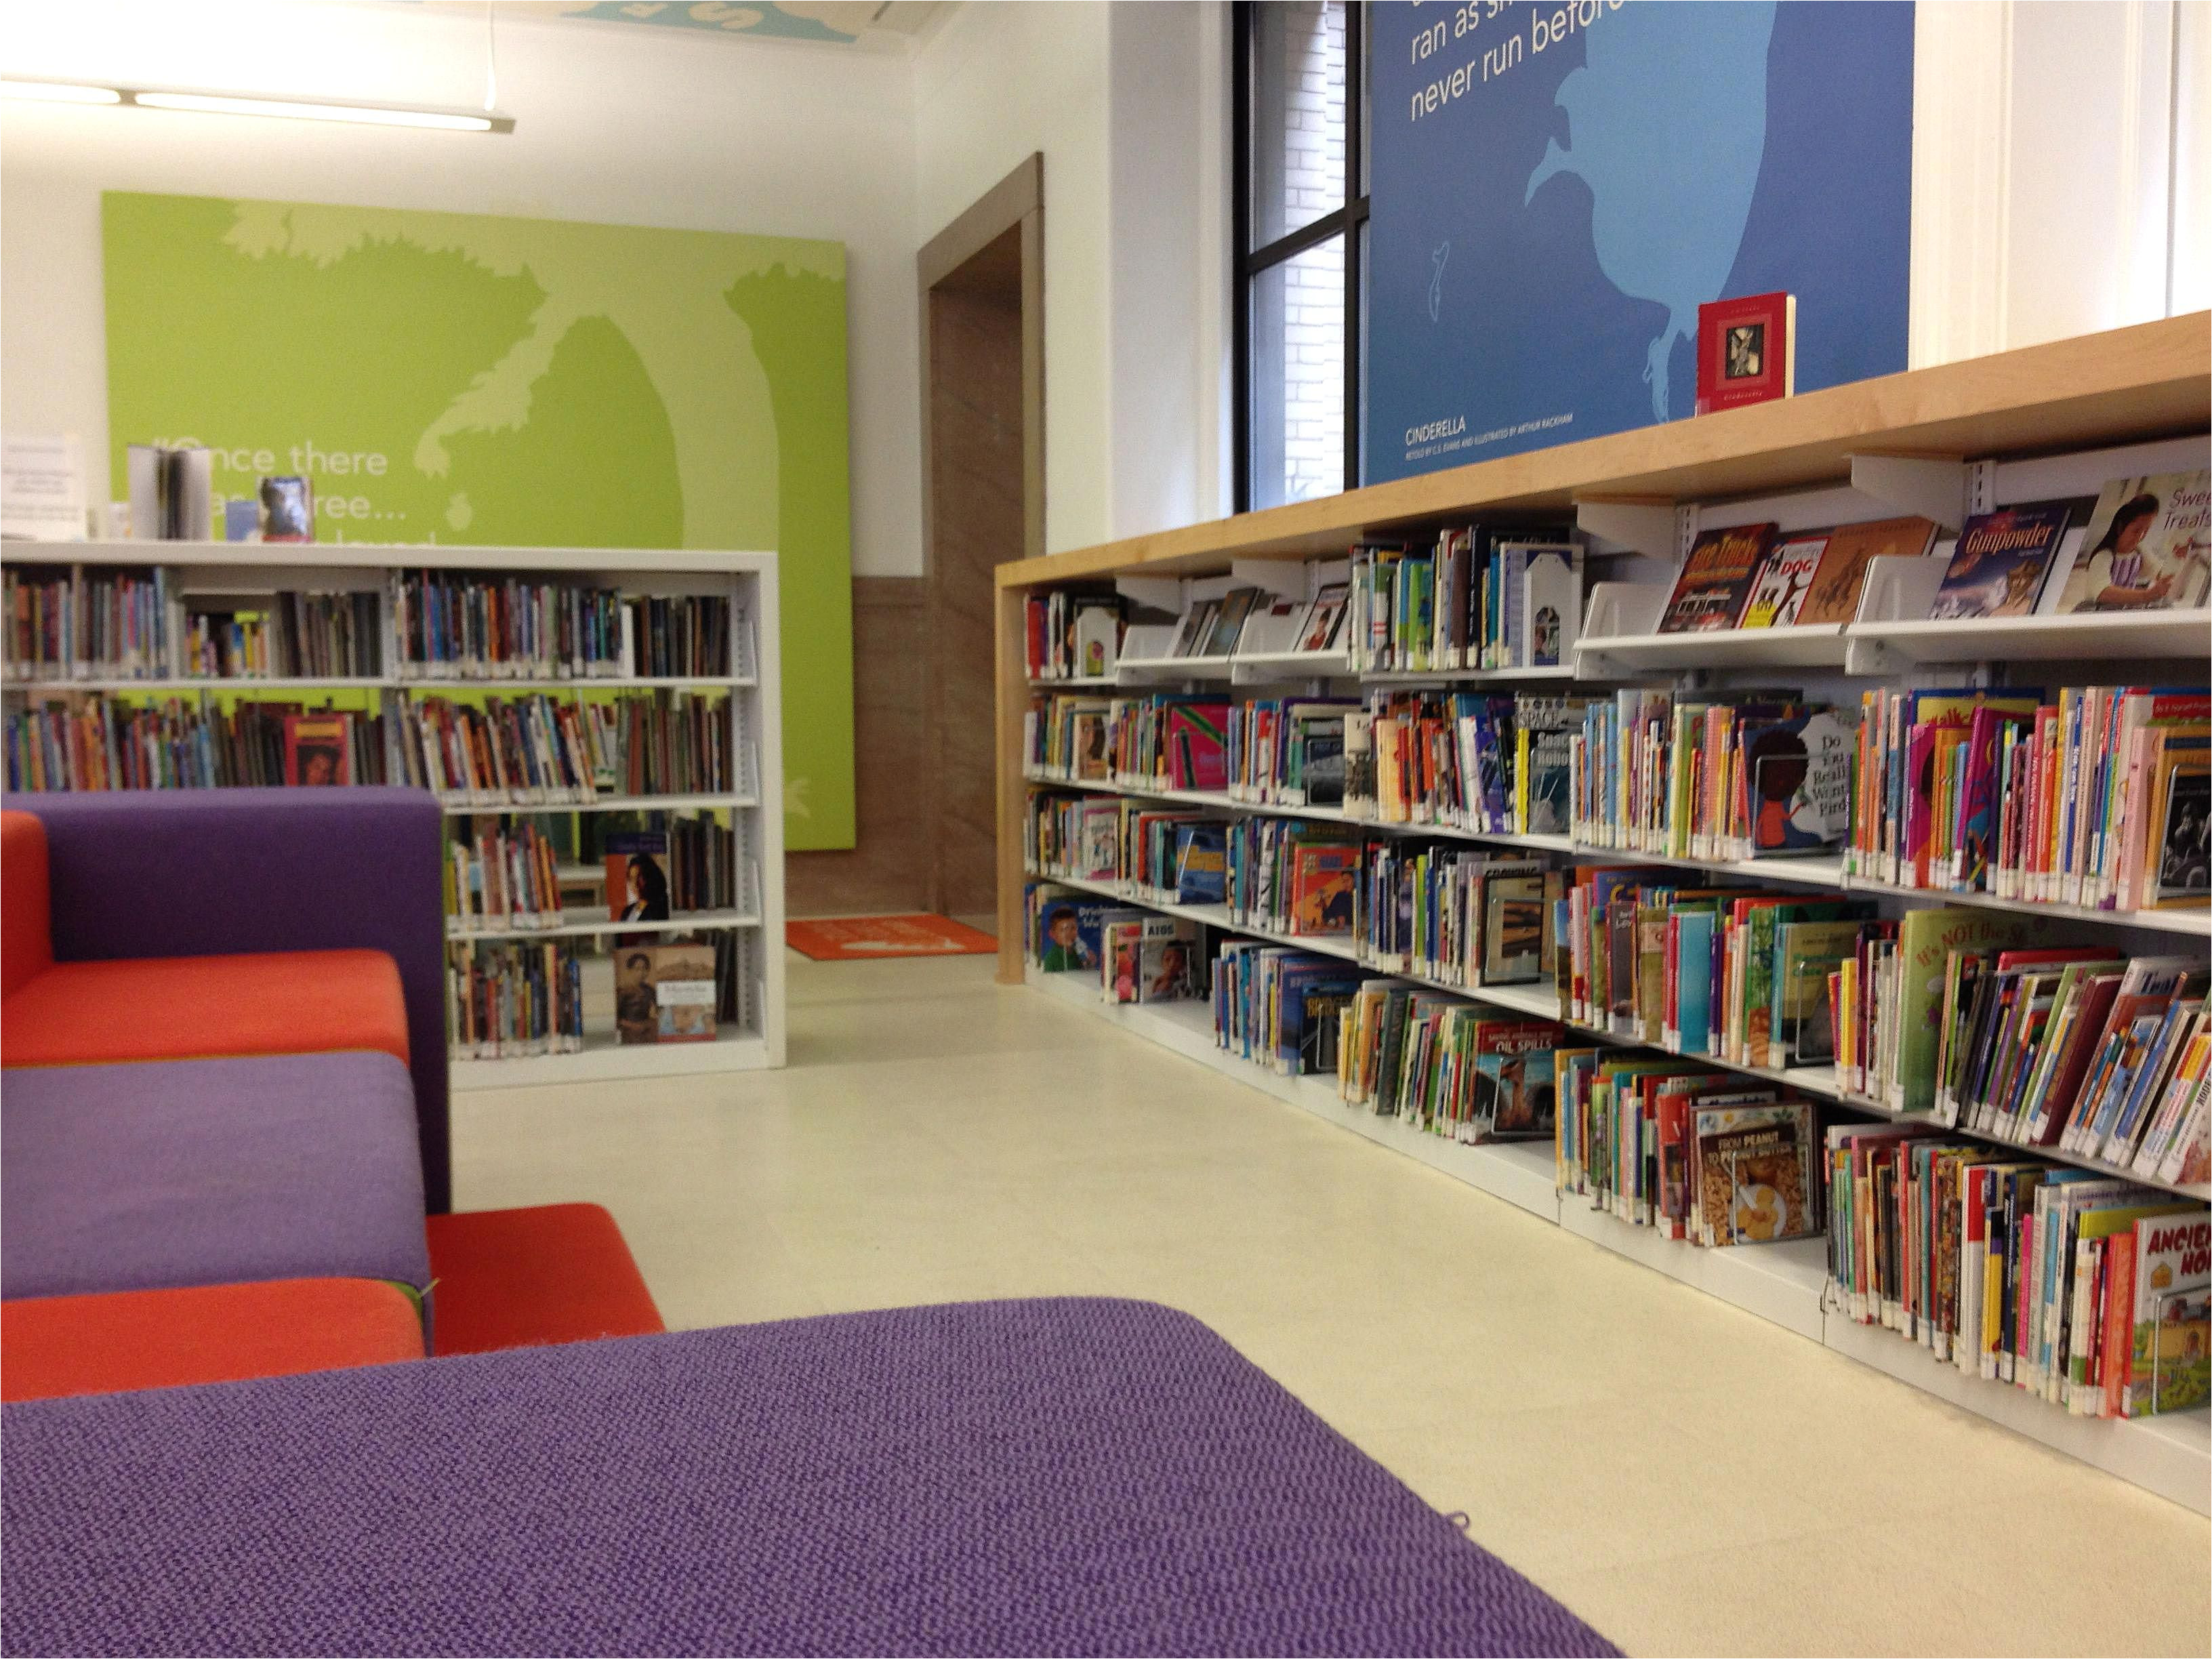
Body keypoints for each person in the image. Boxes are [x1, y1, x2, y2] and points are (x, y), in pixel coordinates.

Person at [2070, 491, 2200, 610]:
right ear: (2121, 527)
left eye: (2146, 531)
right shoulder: (2104, 555)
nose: (2140, 536)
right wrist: (2145, 595)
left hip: (2123, 608)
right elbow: (2103, 592)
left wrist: (2176, 557)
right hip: (2099, 608)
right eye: (2136, 530)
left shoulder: (2139, 552)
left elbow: (2162, 575)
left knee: (2164, 605)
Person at [621, 853, 670, 921]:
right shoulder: (627, 911)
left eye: (639, 877)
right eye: (632, 878)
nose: (635, 884)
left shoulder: (658, 911)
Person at [1038, 904, 1087, 971]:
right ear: (1053, 934)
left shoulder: (1078, 952)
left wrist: (1089, 963)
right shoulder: (1051, 959)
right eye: (1064, 929)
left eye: (1073, 928)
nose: (1069, 933)